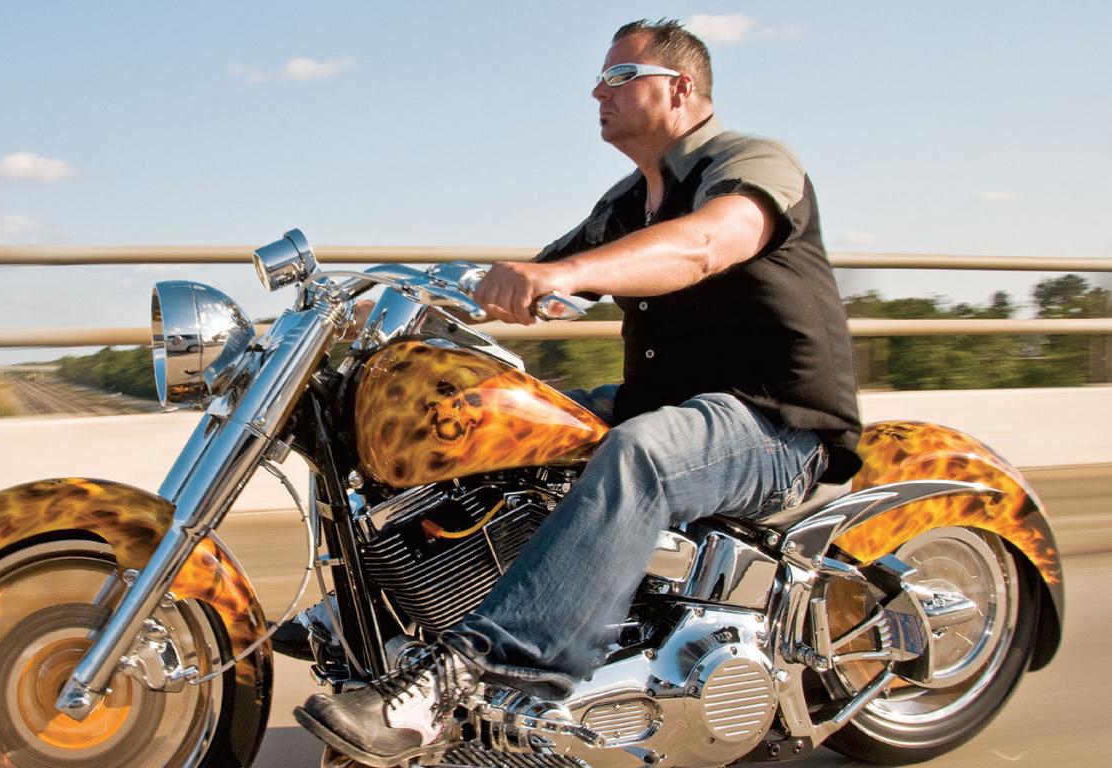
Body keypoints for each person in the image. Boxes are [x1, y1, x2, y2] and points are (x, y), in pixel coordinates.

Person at [295, 18, 862, 766]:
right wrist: (381, 310)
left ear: (681, 87)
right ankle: (393, 617)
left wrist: (562, 274)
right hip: (664, 402)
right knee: (485, 417)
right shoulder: (627, 204)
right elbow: (526, 285)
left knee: (641, 454)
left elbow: (703, 246)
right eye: (600, 79)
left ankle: (481, 676)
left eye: (620, 77)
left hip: (773, 423)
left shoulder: (750, 162)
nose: (598, 92)